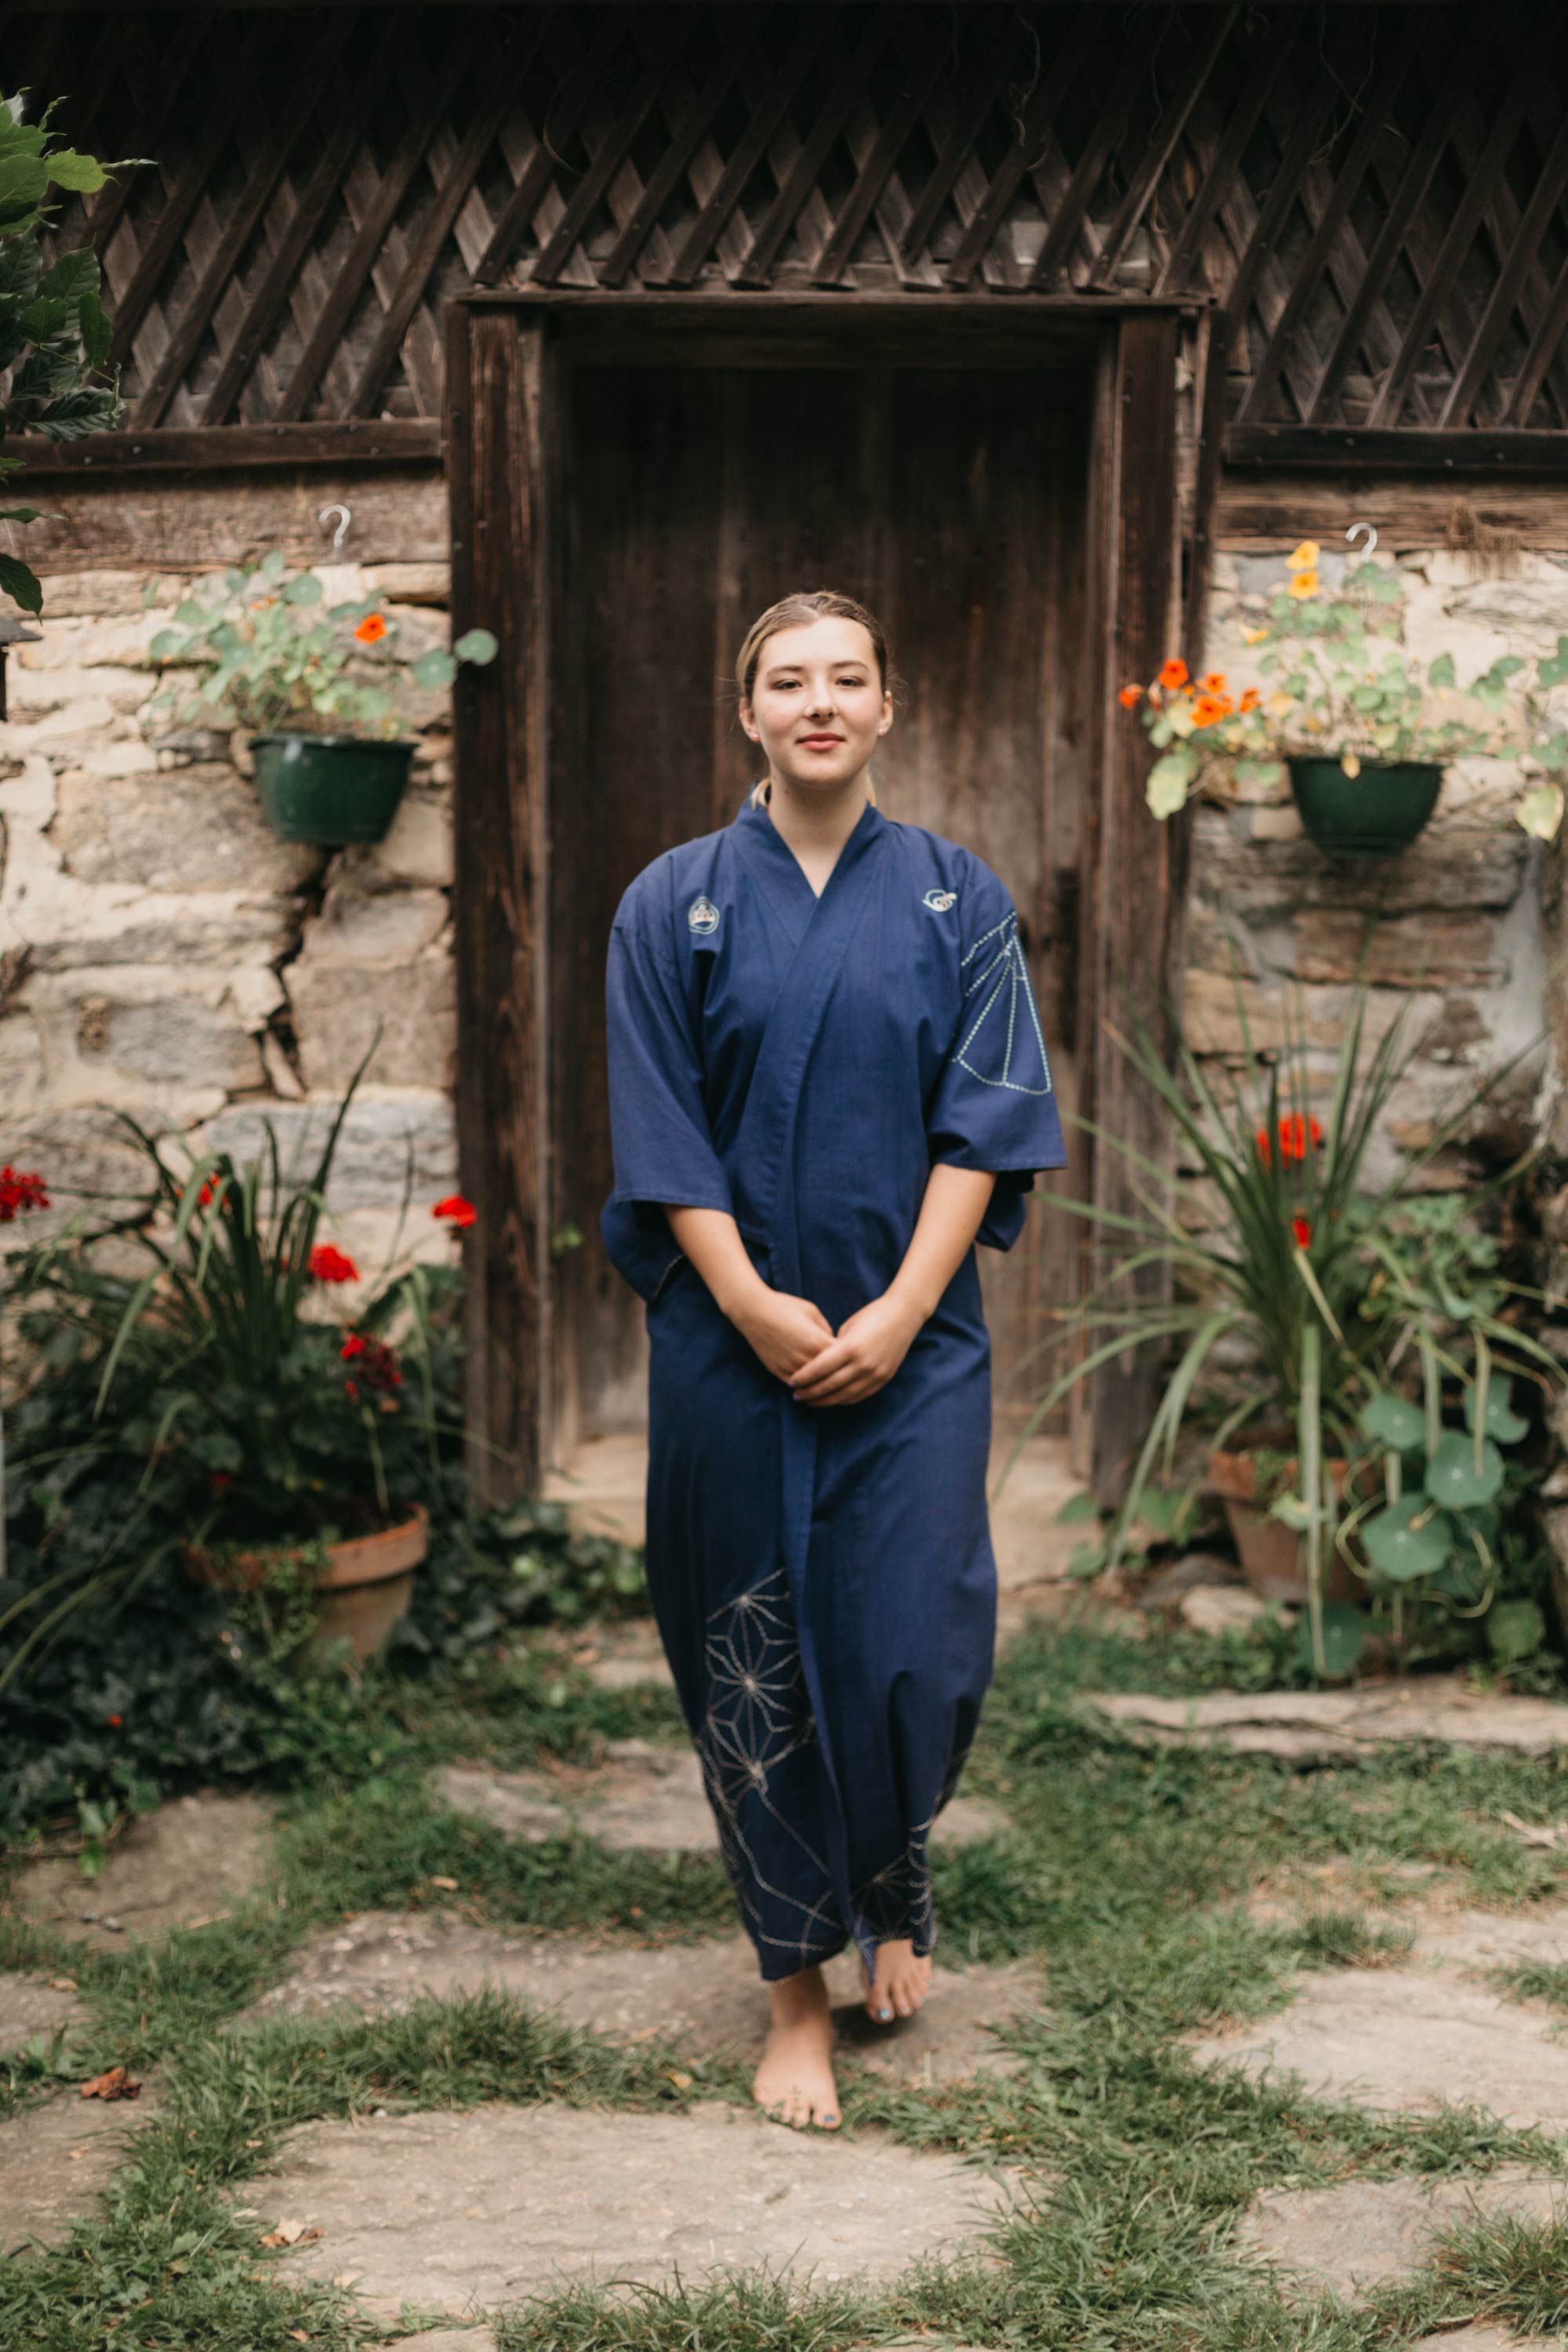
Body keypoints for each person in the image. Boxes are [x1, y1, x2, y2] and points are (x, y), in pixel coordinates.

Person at [601, 589, 1066, 2132]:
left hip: (911, 1341)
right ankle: (795, 1994)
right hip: (730, 1348)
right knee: (749, 1651)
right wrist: (745, 1304)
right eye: (785, 680)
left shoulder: (958, 900)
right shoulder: (669, 904)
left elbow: (982, 1131)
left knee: (910, 1639)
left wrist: (893, 1312)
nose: (817, 701)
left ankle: (893, 1876)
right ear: (747, 714)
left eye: (845, 677)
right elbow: (661, 1132)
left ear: (889, 707)